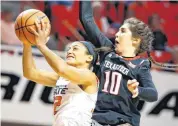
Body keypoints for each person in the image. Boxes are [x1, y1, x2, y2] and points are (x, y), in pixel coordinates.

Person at [80, 1, 158, 126]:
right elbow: (86, 19)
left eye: (122, 31)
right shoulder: (107, 49)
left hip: (123, 121)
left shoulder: (141, 65)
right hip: (96, 119)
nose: (116, 34)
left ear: (135, 40)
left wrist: (137, 90)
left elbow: (153, 94)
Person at [22, 20, 98, 126]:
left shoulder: (89, 76)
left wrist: (41, 45)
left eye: (75, 49)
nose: (70, 51)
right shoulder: (62, 78)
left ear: (89, 58)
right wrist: (27, 44)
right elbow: (30, 73)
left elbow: (62, 69)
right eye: (69, 49)